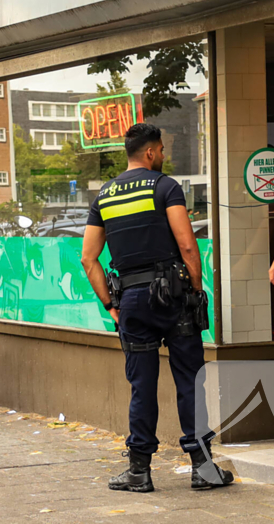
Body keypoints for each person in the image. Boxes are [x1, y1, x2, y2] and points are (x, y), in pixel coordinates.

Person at [81, 123, 233, 493]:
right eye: (162, 150)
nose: (164, 156)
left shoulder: (105, 196)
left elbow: (88, 259)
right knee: (189, 381)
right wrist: (196, 290)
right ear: (149, 153)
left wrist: (110, 305)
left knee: (142, 386)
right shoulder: (165, 186)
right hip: (172, 297)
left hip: (131, 301)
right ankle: (202, 467)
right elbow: (186, 244)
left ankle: (138, 471)